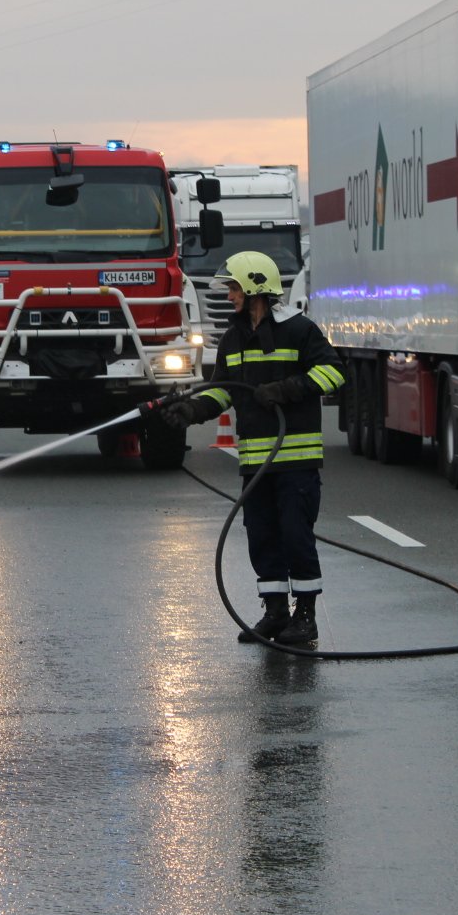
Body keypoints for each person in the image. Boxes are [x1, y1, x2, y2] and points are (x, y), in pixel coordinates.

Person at [152, 250, 345, 646]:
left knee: (296, 535)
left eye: (234, 287)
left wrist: (287, 389)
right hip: (256, 464)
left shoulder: (299, 330)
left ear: (256, 287)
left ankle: (305, 616)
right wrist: (189, 411)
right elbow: (224, 391)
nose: (229, 295)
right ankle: (275, 613)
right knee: (262, 536)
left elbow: (334, 372)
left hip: (296, 459)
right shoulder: (234, 338)